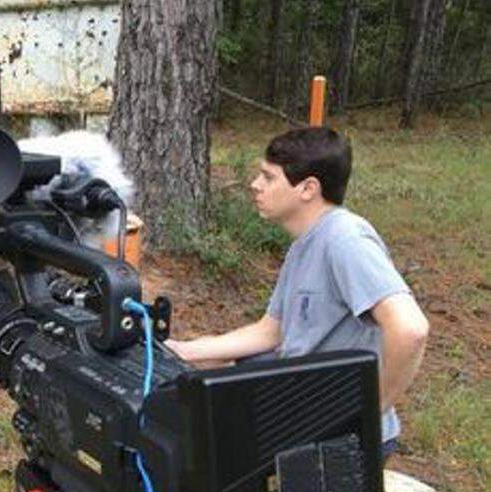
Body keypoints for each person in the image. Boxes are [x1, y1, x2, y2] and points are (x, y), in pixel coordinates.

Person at [165, 127, 430, 457]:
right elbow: (271, 331)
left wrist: (371, 411)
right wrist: (183, 351)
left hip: (341, 443)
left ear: (308, 188)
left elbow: (411, 329)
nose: (255, 185)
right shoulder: (305, 244)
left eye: (268, 177)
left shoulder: (345, 240)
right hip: (302, 428)